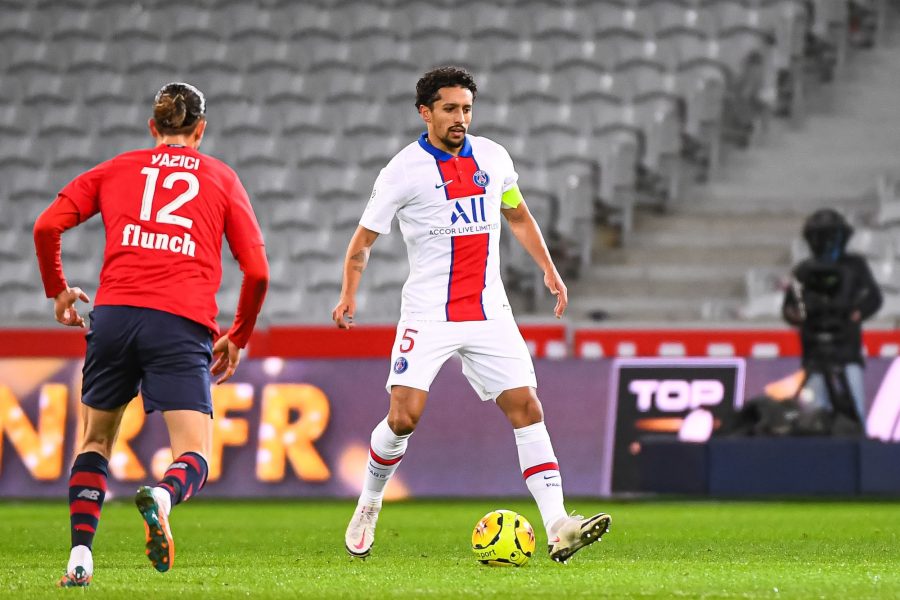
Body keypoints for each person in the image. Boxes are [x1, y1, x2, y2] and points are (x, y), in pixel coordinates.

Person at [332, 66, 611, 564]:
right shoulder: (401, 171)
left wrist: (549, 269)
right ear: (426, 112)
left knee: (527, 407)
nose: (460, 118)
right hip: (429, 314)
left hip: (489, 311)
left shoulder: (494, 157)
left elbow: (517, 214)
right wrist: (348, 294)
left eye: (466, 109)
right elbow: (362, 244)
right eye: (450, 109)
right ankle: (370, 501)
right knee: (403, 418)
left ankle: (558, 525)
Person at [33, 82, 269, 587]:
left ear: (152, 127)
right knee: (195, 454)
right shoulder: (222, 178)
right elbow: (258, 272)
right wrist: (239, 335)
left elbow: (46, 227)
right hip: (178, 323)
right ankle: (162, 497)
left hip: (113, 316)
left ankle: (79, 558)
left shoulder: (117, 167)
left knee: (95, 440)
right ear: (200, 130)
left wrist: (58, 290)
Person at [782, 208, 882, 432]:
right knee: (813, 414)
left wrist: (856, 313)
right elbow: (789, 308)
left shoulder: (855, 266)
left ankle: (858, 452)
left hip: (845, 352)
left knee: (853, 411)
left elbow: (874, 298)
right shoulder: (804, 270)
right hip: (814, 354)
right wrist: (799, 315)